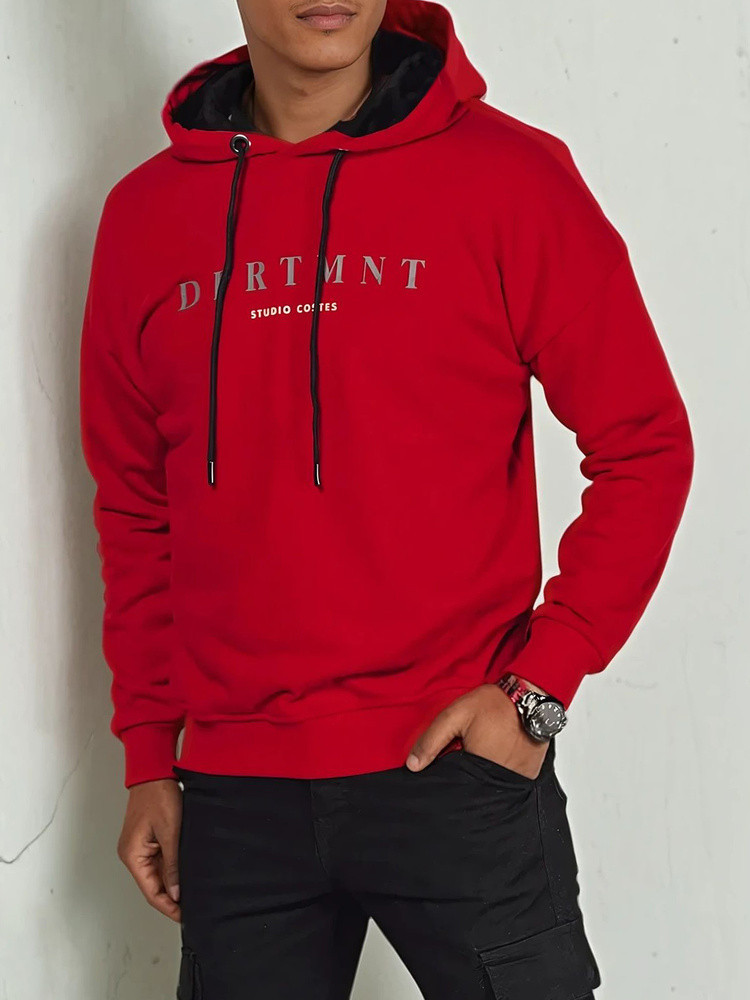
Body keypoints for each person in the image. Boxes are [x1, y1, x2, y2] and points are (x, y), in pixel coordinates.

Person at [78, 0, 694, 996]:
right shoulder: (145, 217)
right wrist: (151, 753)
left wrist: (538, 691)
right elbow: (135, 506)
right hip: (236, 797)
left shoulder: (509, 177)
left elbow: (644, 444)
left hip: (458, 768)